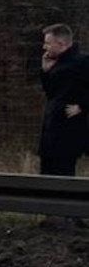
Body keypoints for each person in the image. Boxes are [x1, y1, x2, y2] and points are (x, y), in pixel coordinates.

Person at [39, 23, 89, 177]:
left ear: (60, 43)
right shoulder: (55, 63)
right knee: (46, 174)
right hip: (50, 127)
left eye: (48, 43)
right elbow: (51, 93)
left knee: (63, 175)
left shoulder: (82, 62)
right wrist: (45, 71)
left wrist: (82, 106)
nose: (44, 47)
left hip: (68, 131)